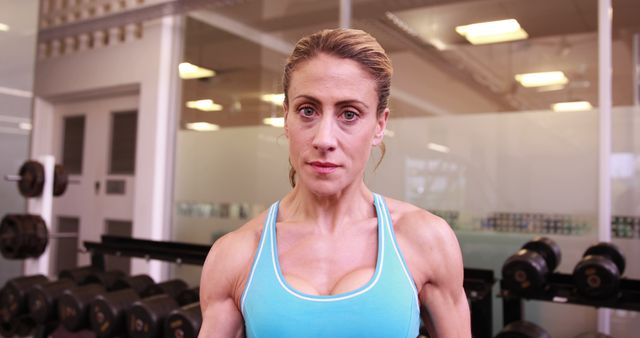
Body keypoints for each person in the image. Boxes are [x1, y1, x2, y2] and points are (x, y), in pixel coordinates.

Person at [199, 28, 470, 338]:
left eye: (350, 114)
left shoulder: (426, 239)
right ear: (286, 118)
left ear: (380, 126)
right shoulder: (235, 254)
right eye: (308, 110)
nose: (324, 139)